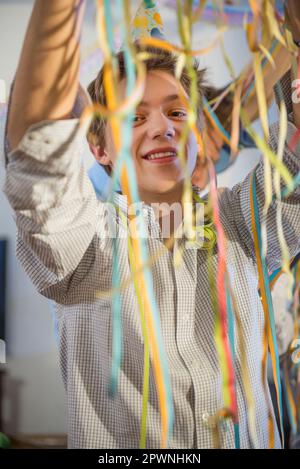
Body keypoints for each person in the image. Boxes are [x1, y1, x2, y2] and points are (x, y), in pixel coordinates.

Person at [3, 0, 300, 449]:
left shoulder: (241, 221)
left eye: (177, 112)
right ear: (100, 148)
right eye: (133, 117)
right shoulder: (89, 240)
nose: (162, 128)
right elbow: (38, 159)